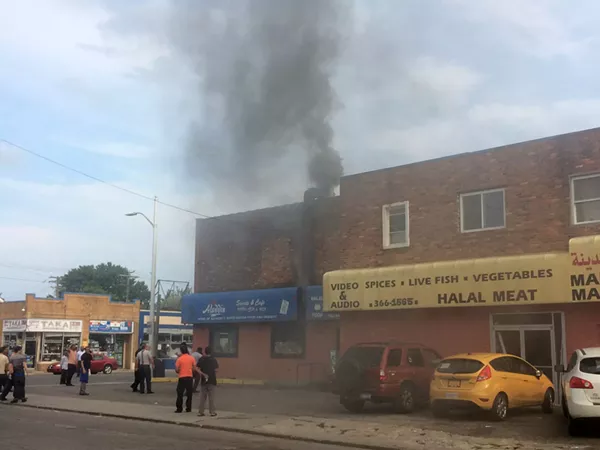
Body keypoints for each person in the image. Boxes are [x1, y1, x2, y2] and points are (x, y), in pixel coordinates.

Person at [174, 343, 196, 413]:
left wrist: (180, 370)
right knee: (189, 394)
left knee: (180, 393)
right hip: (189, 377)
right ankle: (188, 408)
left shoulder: (179, 359)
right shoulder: (191, 358)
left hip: (182, 377)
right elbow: (194, 368)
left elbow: (177, 370)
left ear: (181, 351)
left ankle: (179, 408)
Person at [197, 345, 219, 417]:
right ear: (211, 352)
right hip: (212, 380)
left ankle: (201, 412)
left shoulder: (201, 359)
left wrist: (203, 374)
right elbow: (216, 370)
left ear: (205, 352)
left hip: (203, 380)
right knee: (211, 397)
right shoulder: (213, 359)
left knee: (202, 397)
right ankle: (212, 412)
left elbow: (197, 368)